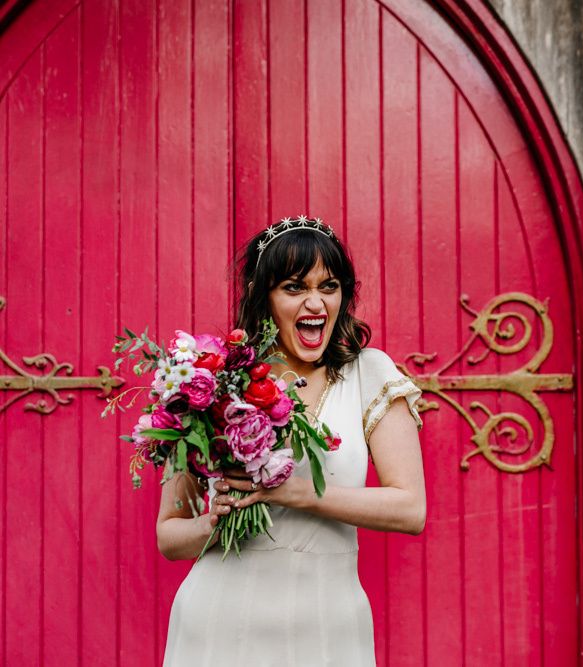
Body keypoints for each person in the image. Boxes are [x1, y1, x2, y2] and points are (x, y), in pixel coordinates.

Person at [158, 217, 426, 666]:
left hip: (327, 628)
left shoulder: (368, 373)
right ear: (263, 296)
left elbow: (411, 509)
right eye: (295, 287)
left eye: (330, 285)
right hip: (218, 624)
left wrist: (299, 493)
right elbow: (169, 535)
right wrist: (214, 523)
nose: (316, 302)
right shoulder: (215, 381)